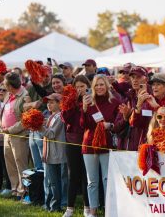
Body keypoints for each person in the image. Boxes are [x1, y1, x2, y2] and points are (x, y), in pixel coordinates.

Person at [81, 74, 121, 217]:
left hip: (106, 143)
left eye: (101, 84)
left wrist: (109, 125)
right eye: (96, 85)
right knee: (92, 180)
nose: (99, 87)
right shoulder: (88, 101)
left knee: (106, 179)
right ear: (93, 87)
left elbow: (118, 123)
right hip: (89, 144)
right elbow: (83, 125)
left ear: (107, 86)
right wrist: (84, 109)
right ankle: (92, 211)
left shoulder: (114, 101)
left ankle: (108, 209)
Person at [61, 75, 91, 217]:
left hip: (87, 142)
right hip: (72, 141)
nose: (79, 89)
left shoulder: (91, 99)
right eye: (77, 87)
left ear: (87, 86)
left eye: (82, 86)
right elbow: (65, 118)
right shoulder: (70, 101)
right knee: (73, 175)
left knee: (86, 176)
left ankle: (87, 207)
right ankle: (70, 208)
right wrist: (72, 101)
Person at [0, 72, 29, 200]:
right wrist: (1, 124)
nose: (5, 88)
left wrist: (10, 129)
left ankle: (23, 191)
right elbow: (4, 111)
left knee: (20, 164)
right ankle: (15, 189)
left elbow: (25, 119)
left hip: (19, 135)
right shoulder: (8, 95)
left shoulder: (25, 95)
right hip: (6, 135)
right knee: (10, 163)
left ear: (11, 85)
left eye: (6, 85)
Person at [40, 93, 67, 212]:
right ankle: (52, 204)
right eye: (48, 102)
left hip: (57, 154)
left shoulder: (60, 116)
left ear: (59, 104)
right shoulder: (51, 117)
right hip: (50, 153)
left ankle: (57, 205)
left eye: (52, 102)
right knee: (52, 181)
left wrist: (39, 127)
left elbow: (51, 134)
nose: (49, 104)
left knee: (56, 181)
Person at [114, 66, 152, 151]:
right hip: (125, 149)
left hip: (143, 149)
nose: (135, 80)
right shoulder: (127, 99)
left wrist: (135, 112)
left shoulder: (152, 99)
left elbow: (147, 124)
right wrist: (125, 118)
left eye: (138, 77)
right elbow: (115, 128)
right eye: (133, 77)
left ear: (146, 79)